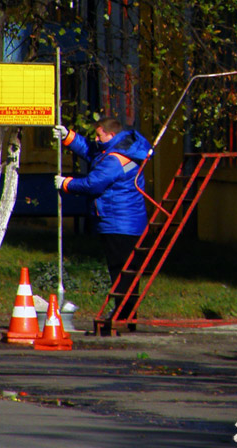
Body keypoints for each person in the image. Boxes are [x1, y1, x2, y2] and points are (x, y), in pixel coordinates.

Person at [52, 117, 151, 326]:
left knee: (120, 270)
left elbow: (93, 184)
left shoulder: (115, 159)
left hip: (119, 222)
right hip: (128, 222)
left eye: (99, 135)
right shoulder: (122, 149)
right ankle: (126, 315)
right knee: (125, 271)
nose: (96, 139)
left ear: (111, 135)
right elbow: (92, 152)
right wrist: (69, 137)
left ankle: (124, 316)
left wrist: (67, 184)